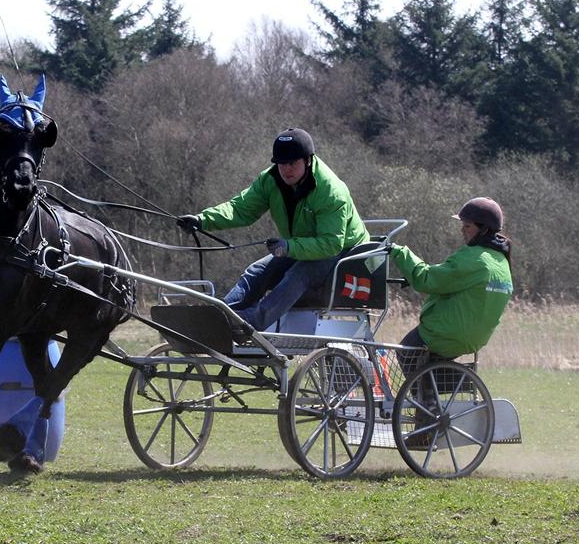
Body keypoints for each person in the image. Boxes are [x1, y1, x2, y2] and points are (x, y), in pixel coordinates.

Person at [176, 128, 369, 334]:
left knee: (299, 274)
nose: (286, 169)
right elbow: (240, 209)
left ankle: (251, 322)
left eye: (292, 163)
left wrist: (288, 247)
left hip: (345, 255)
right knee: (257, 270)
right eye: (281, 163)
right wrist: (202, 220)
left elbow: (331, 244)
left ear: (308, 160)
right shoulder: (270, 180)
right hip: (302, 248)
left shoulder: (330, 191)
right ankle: (221, 315)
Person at [388, 197, 514, 377]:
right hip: (474, 339)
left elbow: (425, 279)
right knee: (428, 368)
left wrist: (399, 252)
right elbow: (452, 281)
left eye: (467, 226)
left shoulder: (473, 258)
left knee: (405, 351)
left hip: (446, 335)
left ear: (484, 229)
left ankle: (427, 401)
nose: (462, 230)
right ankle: (435, 397)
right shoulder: (501, 262)